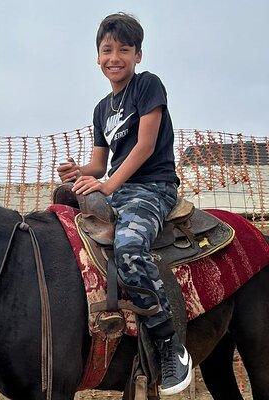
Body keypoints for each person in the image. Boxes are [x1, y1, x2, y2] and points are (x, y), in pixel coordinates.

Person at [57, 12, 192, 396]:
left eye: (124, 50)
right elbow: (100, 162)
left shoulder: (148, 86)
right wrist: (78, 172)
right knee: (62, 208)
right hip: (118, 187)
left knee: (130, 248)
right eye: (107, 50)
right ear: (97, 57)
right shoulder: (102, 109)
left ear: (138, 55)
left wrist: (107, 183)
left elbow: (145, 146)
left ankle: (170, 343)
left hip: (153, 187)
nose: (114, 57)